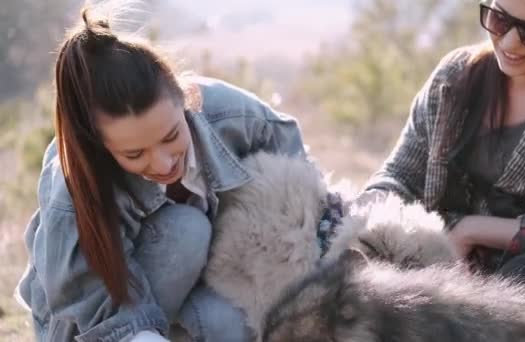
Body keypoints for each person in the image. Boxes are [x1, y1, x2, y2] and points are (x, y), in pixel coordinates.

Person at [14, 6, 306, 342]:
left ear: (185, 97)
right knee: (187, 230)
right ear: (101, 145)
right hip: (98, 326)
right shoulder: (73, 180)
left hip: (193, 288)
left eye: (171, 136)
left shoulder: (230, 114)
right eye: (134, 154)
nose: (164, 163)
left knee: (228, 323)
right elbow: (85, 298)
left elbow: (297, 176)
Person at [359, 0, 525, 340]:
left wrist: (474, 230)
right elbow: (400, 175)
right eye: (499, 19)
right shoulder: (455, 79)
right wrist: (361, 219)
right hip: (440, 256)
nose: (508, 43)